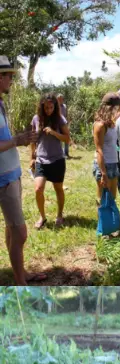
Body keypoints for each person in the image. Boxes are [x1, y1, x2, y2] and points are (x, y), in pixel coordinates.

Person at [0, 55, 40, 284]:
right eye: (8, 76)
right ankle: (20, 282)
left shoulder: (1, 104)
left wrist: (21, 140)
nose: (11, 81)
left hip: (11, 174)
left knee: (11, 229)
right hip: (4, 179)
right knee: (20, 232)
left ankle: (20, 273)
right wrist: (17, 140)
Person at [30, 93, 71, 229]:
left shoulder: (59, 119)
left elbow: (67, 138)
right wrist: (32, 157)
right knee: (38, 189)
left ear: (55, 106)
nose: (48, 110)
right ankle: (42, 217)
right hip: (41, 159)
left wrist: (54, 132)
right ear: (42, 107)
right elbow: (33, 139)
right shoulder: (36, 119)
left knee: (58, 188)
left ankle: (59, 215)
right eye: (46, 107)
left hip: (57, 159)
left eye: (51, 107)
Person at [92, 92, 120, 206]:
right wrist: (103, 173)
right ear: (111, 107)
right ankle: (102, 222)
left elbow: (112, 143)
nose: (118, 110)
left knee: (112, 197)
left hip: (113, 163)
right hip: (104, 165)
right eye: (117, 107)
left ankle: (111, 222)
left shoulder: (111, 122)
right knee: (103, 198)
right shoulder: (100, 125)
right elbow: (99, 150)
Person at [57, 93, 69, 158]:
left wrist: (67, 123)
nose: (60, 100)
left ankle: (66, 153)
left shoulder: (64, 106)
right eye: (59, 99)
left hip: (64, 124)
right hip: (58, 125)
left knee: (67, 139)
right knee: (60, 139)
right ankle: (61, 154)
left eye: (61, 99)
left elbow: (66, 115)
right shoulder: (55, 107)